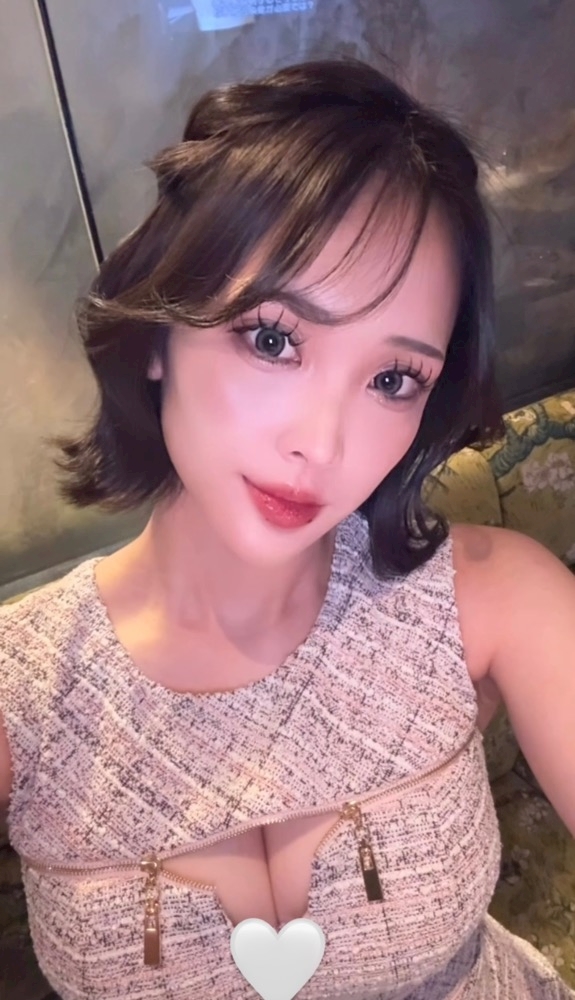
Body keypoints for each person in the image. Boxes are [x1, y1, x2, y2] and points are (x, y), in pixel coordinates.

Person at [1, 58, 574, 1000]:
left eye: (392, 379)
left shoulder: (493, 598)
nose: (322, 443)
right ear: (159, 333)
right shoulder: (23, 688)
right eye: (272, 339)